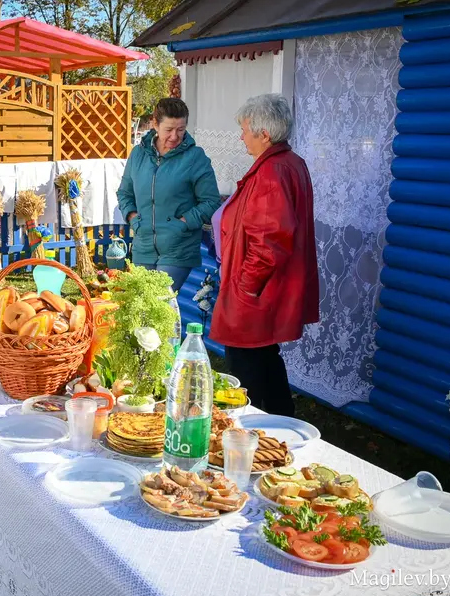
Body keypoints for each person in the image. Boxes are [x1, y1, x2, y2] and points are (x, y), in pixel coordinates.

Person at [210, 93, 319, 417]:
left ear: (264, 134)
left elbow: (269, 241)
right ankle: (282, 425)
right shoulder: (289, 163)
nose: (241, 136)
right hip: (267, 290)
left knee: (247, 369)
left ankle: (252, 433)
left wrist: (244, 287)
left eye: (245, 130)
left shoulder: (272, 172)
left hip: (257, 294)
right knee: (266, 360)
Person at [116, 98, 220, 292]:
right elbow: (124, 193)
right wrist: (133, 217)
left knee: (160, 302)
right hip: (143, 245)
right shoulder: (138, 154)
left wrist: (183, 223)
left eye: (181, 129)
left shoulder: (195, 157)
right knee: (143, 307)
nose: (175, 136)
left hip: (179, 247)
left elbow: (211, 201)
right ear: (155, 124)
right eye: (169, 129)